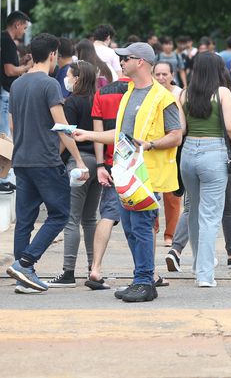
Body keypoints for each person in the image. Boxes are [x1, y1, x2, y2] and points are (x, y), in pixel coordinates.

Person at [74, 42, 184, 302]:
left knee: (143, 227)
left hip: (148, 175)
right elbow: (121, 134)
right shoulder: (129, 93)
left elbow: (176, 135)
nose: (121, 62)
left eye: (126, 58)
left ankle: (144, 281)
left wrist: (150, 144)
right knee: (132, 228)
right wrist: (87, 134)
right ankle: (141, 279)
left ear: (141, 62)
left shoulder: (162, 97)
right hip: (128, 172)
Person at [6, 34, 89, 293]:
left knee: (25, 220)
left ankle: (23, 277)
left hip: (21, 160)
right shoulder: (50, 84)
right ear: (53, 54)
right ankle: (26, 263)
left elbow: (11, 125)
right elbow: (62, 127)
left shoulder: (18, 84)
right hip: (45, 160)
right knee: (59, 213)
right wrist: (77, 160)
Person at [180, 52, 231, 287]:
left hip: (188, 153)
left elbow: (181, 129)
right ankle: (205, 275)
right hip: (214, 152)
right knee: (210, 216)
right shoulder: (223, 93)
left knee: (194, 210)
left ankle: (199, 262)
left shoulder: (184, 94)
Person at [47, 62, 104, 287]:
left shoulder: (71, 103)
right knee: (90, 219)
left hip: (77, 163)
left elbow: (65, 136)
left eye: (69, 75)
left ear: (78, 78)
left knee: (72, 219)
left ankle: (68, 272)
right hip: (97, 163)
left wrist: (54, 160)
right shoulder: (96, 100)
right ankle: (93, 268)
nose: (66, 79)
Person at [86, 74, 132, 290]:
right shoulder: (142, 91)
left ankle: (95, 268)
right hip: (139, 163)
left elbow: (98, 134)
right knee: (146, 217)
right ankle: (149, 271)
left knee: (107, 215)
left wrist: (100, 165)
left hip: (112, 163)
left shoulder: (101, 93)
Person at [0, 11, 32, 193]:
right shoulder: (7, 41)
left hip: (4, 91)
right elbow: (10, 70)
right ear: (17, 24)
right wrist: (26, 67)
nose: (24, 31)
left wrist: (21, 62)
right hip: (5, 92)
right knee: (4, 135)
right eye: (24, 27)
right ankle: (2, 178)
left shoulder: (5, 40)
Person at [153, 62, 183, 246]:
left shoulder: (179, 94)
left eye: (165, 74)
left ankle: (170, 234)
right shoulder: (149, 92)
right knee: (152, 192)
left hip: (174, 148)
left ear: (172, 75)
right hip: (153, 147)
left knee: (172, 194)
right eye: (158, 74)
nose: (161, 78)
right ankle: (152, 228)